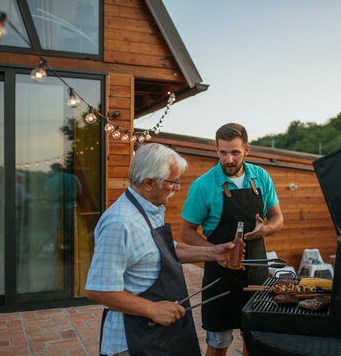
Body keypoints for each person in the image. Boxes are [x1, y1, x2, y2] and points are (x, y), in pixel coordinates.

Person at [85, 143, 236, 356]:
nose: (177, 187)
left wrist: (213, 253)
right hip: (132, 340)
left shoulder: (149, 209)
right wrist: (152, 309)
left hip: (159, 335)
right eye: (173, 182)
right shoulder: (119, 223)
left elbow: (165, 249)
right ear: (148, 182)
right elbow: (98, 289)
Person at [180, 123, 284, 356]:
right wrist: (215, 251)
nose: (229, 159)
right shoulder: (202, 186)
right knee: (218, 343)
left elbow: (278, 218)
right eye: (223, 152)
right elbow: (186, 231)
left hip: (257, 272)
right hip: (220, 277)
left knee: (254, 340)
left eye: (235, 152)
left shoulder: (261, 177)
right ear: (216, 150)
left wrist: (265, 230)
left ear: (247, 150)